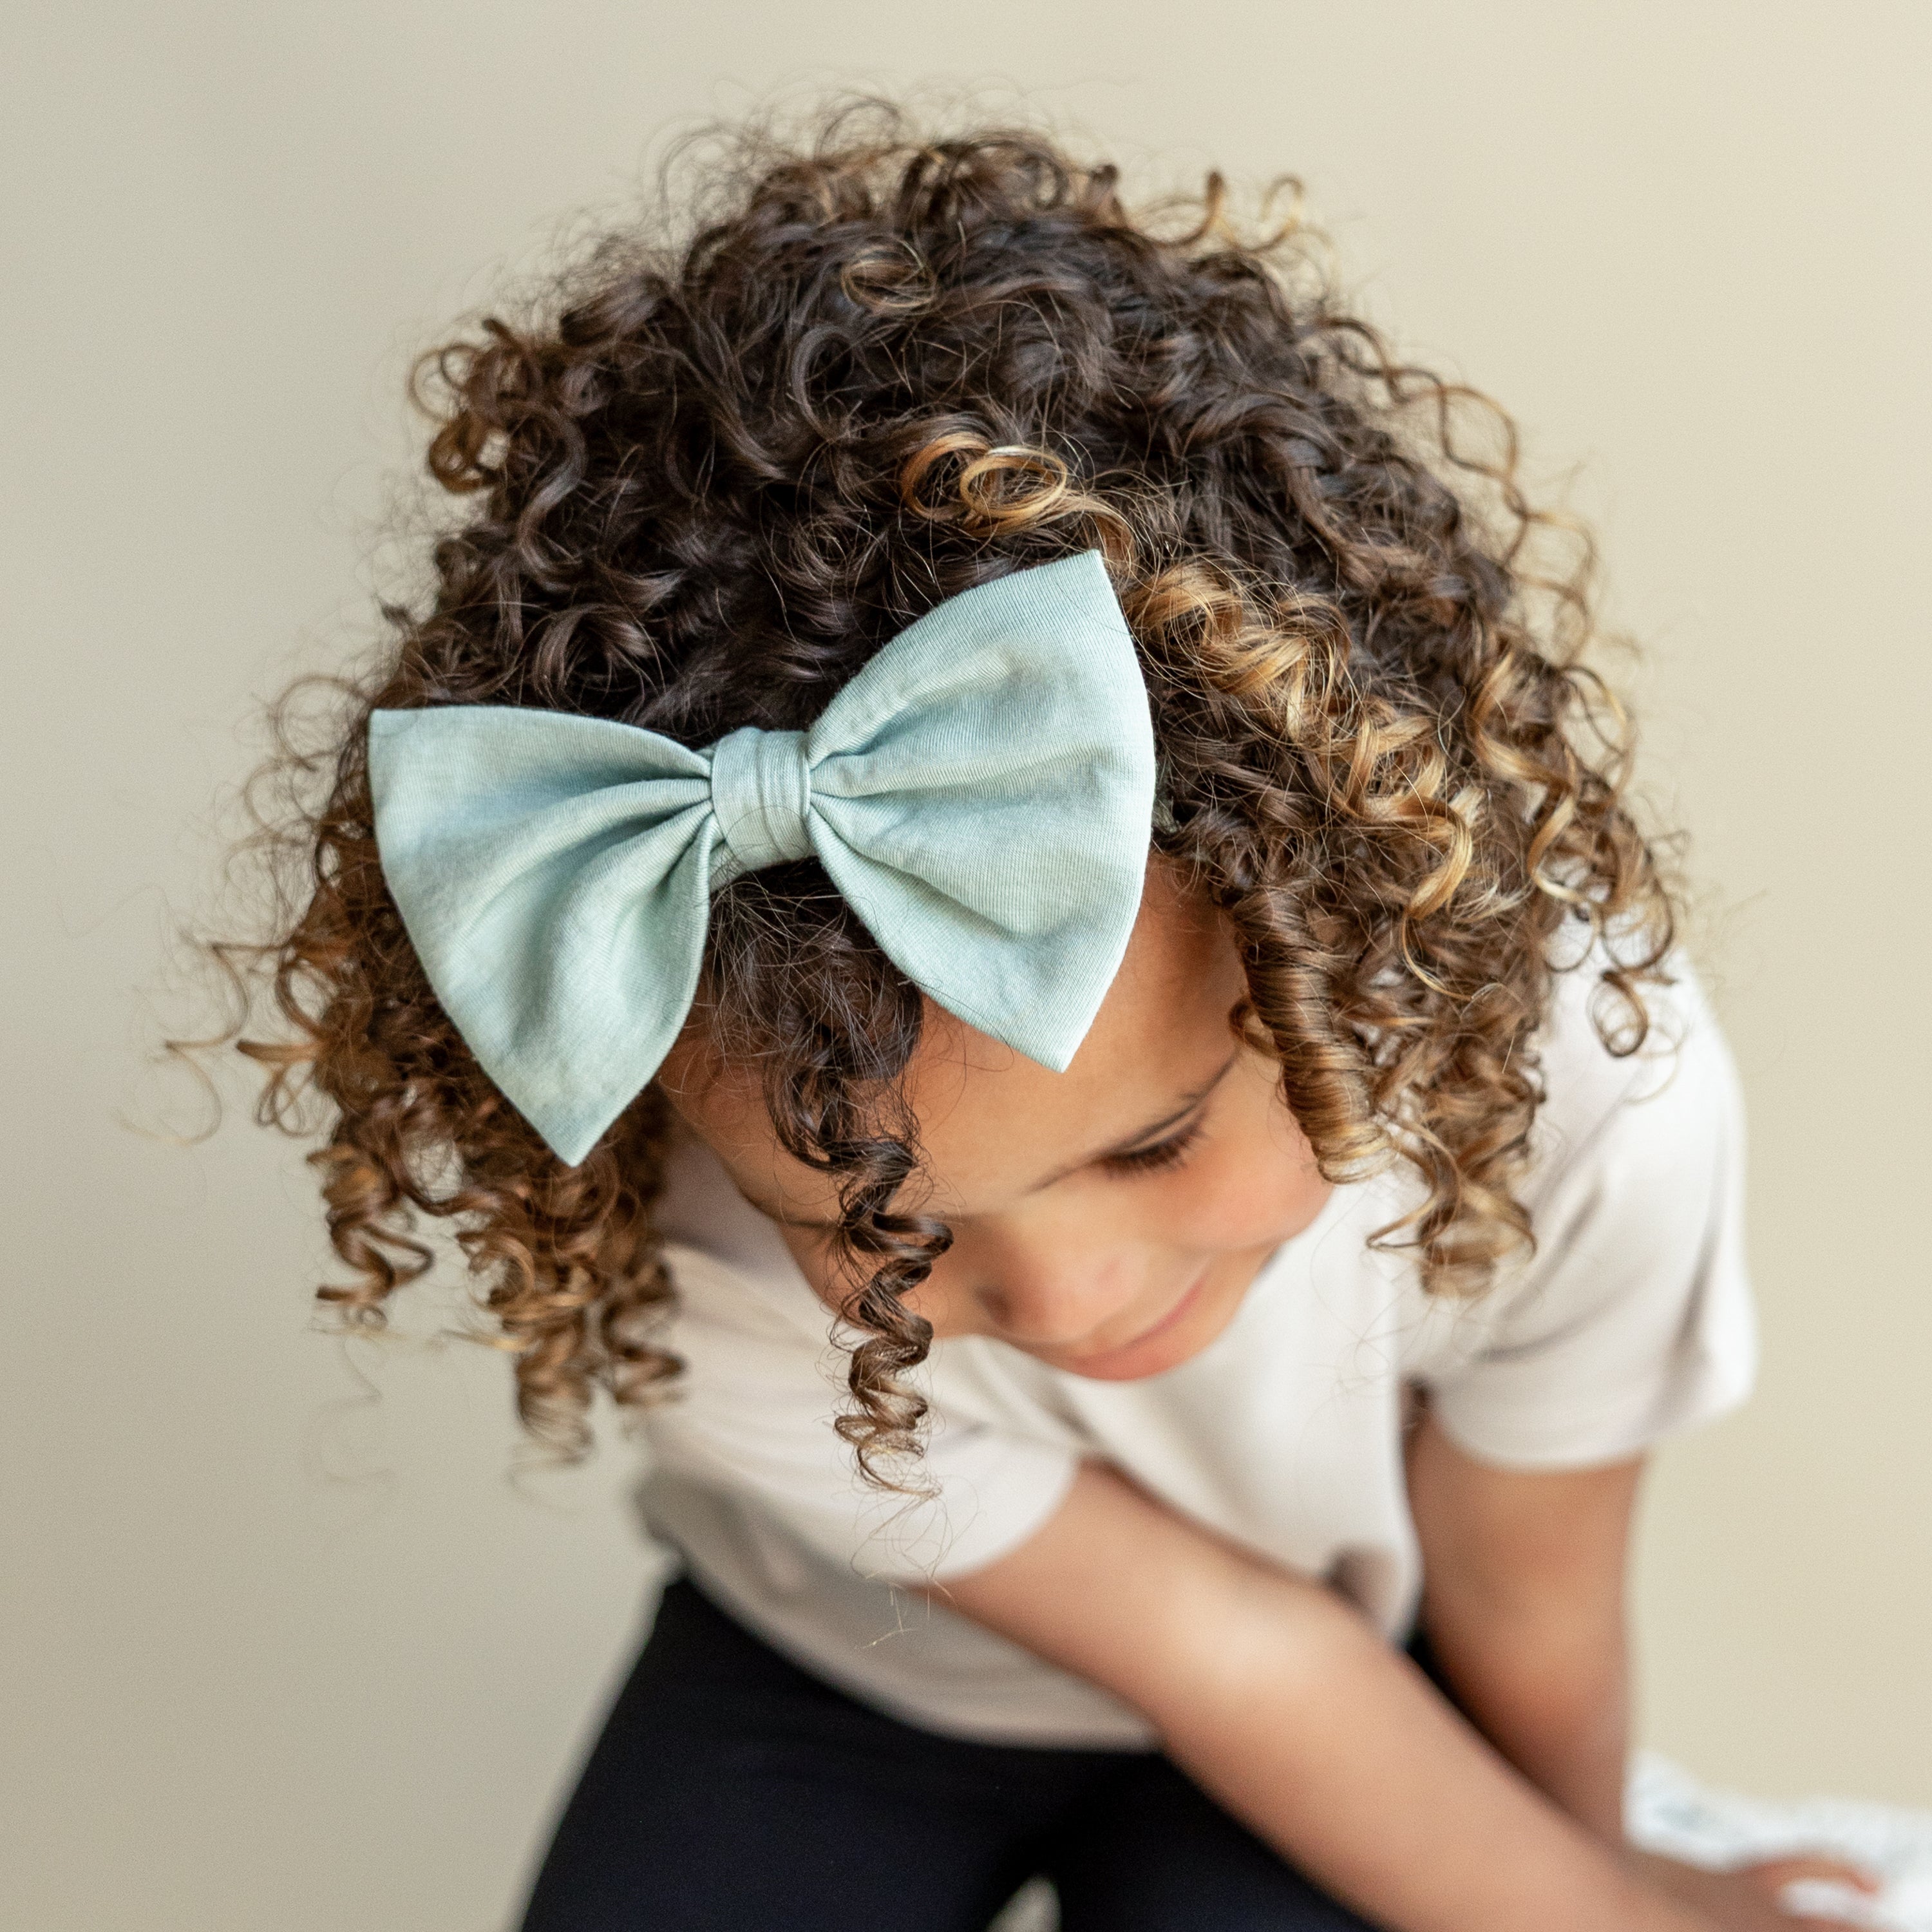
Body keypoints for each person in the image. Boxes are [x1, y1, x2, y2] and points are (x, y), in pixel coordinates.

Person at [212, 110, 1880, 1931]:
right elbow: (1215, 1650)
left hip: (1353, 1654)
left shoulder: (1576, 1088)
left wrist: (1607, 1896)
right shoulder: (674, 1224)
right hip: (849, 1659)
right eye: (884, 1227)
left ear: (1337, 925)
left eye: (1153, 1142)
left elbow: (1527, 1592)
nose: (1072, 1303)